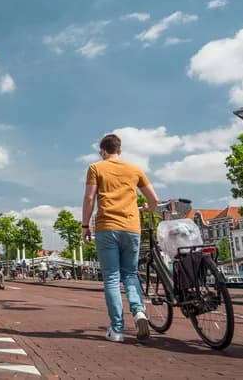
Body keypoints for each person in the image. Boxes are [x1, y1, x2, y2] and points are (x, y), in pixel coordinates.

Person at [82, 133, 159, 343]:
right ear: (119, 150)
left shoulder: (96, 168)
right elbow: (154, 199)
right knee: (130, 274)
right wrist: (147, 208)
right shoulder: (135, 169)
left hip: (107, 227)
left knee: (112, 277)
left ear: (103, 151)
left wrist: (85, 225)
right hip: (132, 228)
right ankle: (139, 312)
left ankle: (117, 330)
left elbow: (89, 198)